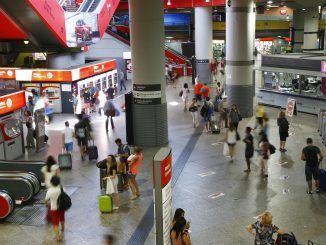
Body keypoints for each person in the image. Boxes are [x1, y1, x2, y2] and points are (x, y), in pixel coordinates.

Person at [45, 176, 65, 241]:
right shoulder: (62, 189)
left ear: (51, 183)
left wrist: (46, 204)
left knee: (55, 223)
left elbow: (46, 199)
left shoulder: (50, 191)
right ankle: (63, 228)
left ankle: (58, 237)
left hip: (54, 209)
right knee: (62, 218)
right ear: (59, 182)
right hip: (62, 207)